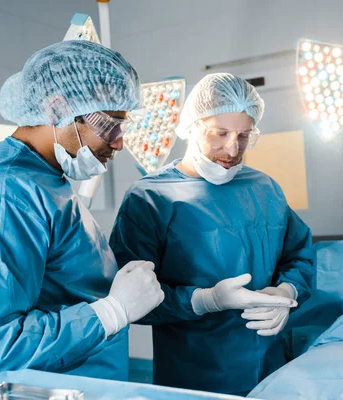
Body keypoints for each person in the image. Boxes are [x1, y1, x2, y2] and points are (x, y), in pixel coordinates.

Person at [0, 40, 164, 392]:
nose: (118, 143)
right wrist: (111, 312)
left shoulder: (46, 180)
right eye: (110, 125)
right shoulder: (0, 199)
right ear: (57, 108)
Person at [109, 73, 315, 396]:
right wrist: (204, 301)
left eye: (245, 136)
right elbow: (127, 297)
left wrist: (286, 289)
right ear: (192, 126)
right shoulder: (150, 199)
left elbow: (299, 254)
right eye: (220, 133)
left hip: (270, 371)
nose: (233, 149)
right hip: (193, 380)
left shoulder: (265, 189)